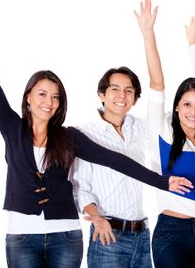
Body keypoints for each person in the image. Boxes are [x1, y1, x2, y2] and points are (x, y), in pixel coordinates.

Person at [0, 2, 192, 268]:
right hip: (22, 235)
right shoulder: (12, 128)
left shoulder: (69, 137)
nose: (49, 101)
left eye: (55, 97)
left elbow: (115, 160)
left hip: (66, 235)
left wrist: (162, 182)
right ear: (28, 97)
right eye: (42, 94)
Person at [135, 0, 195, 268]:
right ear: (177, 106)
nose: (193, 111)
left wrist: (194, 45)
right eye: (187, 104)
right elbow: (156, 81)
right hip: (171, 234)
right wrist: (148, 33)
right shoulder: (163, 130)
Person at [70, 66, 154, 268]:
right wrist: (97, 218)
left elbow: (180, 117)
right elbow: (80, 188)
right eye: (115, 89)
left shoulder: (141, 128)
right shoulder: (85, 134)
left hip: (142, 234)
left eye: (129, 91)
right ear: (102, 94)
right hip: (108, 235)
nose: (122, 96)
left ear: (134, 99)